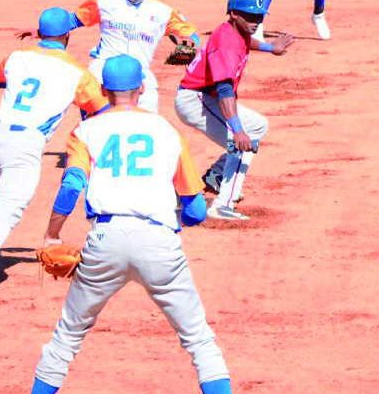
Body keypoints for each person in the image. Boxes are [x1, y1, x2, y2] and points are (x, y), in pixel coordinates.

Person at [28, 55, 232, 394]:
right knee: (198, 339)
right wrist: (168, 218)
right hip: (159, 242)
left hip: (105, 241)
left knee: (66, 337)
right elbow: (195, 210)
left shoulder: (85, 130)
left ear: (105, 90)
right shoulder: (166, 130)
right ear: (140, 89)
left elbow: (72, 186)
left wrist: (52, 234)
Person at [0, 8, 109, 300]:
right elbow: (100, 110)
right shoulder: (77, 73)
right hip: (22, 149)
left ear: (40, 33)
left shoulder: (17, 56)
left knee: (5, 201)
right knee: (11, 205)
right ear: (67, 34)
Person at [17, 0, 201, 113]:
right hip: (102, 68)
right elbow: (75, 20)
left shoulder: (163, 12)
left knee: (148, 121)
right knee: (97, 117)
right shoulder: (104, 2)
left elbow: (193, 37)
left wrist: (181, 58)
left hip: (140, 72)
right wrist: (44, 32)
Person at [174, 0, 294, 221]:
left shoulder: (234, 31)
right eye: (249, 16)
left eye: (259, 16)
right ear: (233, 14)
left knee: (258, 125)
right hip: (196, 99)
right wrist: (237, 129)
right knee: (242, 143)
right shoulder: (226, 42)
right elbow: (224, 89)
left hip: (202, 98)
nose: (255, 21)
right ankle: (223, 204)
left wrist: (271, 47)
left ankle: (216, 176)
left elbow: (247, 41)